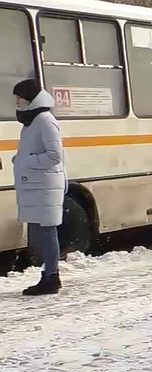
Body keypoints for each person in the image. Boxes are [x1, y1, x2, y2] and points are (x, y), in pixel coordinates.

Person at [12, 79, 66, 296]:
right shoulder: (32, 120)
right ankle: (51, 275)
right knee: (43, 232)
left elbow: (55, 156)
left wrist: (26, 161)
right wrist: (21, 159)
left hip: (45, 185)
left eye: (20, 98)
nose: (17, 102)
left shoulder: (44, 120)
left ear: (30, 98)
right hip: (38, 184)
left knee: (48, 232)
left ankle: (51, 278)